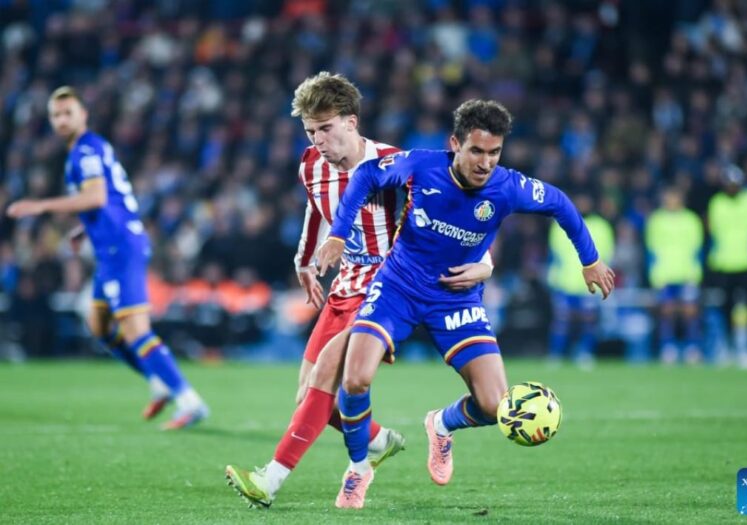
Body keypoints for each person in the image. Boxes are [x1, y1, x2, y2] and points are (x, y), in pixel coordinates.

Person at [317, 99, 615, 509]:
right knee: (355, 379)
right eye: (476, 150)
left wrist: (591, 260)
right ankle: (358, 469)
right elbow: (367, 174)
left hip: (455, 299)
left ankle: (441, 424)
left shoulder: (508, 187)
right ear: (455, 143)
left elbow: (560, 203)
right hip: (398, 287)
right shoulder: (422, 166)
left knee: (497, 405)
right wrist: (337, 233)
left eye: (494, 152)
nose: (486, 162)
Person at [224, 72, 494, 509]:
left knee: (327, 371)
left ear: (351, 122)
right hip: (344, 283)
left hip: (389, 284)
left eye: (326, 129)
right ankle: (376, 440)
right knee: (309, 395)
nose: (319, 141)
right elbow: (318, 214)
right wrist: (305, 261)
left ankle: (270, 480)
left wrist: (484, 263)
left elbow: (463, 213)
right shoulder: (311, 165)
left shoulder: (394, 163)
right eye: (311, 131)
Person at [6, 86, 208, 429]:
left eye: (68, 112)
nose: (61, 120)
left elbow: (97, 197)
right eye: (56, 115)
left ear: (84, 114)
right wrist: (85, 229)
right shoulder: (91, 149)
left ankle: (189, 400)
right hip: (112, 245)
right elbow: (109, 198)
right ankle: (157, 380)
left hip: (120, 248)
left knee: (135, 329)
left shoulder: (84, 150)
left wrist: (41, 206)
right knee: (98, 324)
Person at [706, 164, 747, 366]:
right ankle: (728, 347)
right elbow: (713, 234)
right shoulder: (717, 203)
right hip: (725, 263)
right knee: (726, 308)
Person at [547, 193, 614, 367]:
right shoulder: (559, 224)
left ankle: (585, 354)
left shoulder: (601, 226)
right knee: (561, 322)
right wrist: (554, 278)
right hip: (564, 282)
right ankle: (556, 355)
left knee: (588, 321)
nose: (582, 203)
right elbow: (554, 255)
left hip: (588, 285)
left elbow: (605, 255)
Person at [645, 185, 704, 364]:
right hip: (664, 275)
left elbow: (697, 250)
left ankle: (692, 348)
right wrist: (654, 274)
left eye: (674, 197)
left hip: (687, 274)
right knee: (667, 312)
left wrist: (696, 273)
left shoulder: (691, 220)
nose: (670, 201)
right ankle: (667, 348)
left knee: (690, 312)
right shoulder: (656, 220)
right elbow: (651, 250)